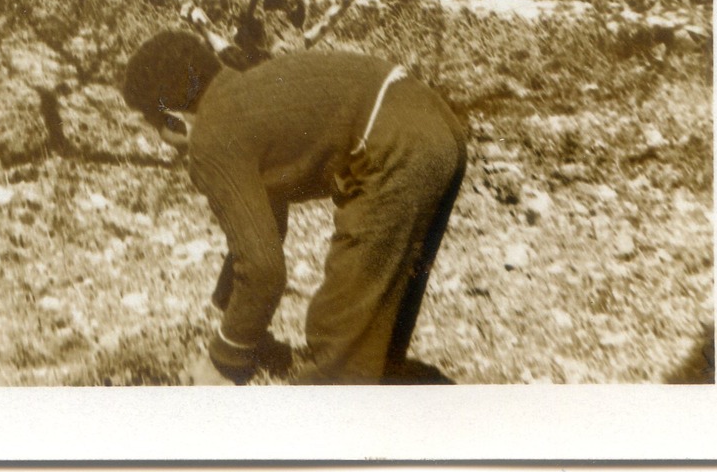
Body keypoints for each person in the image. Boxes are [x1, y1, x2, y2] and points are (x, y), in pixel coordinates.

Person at [119, 31, 466, 385]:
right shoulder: (245, 92)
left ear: (174, 121)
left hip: (396, 147)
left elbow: (263, 271)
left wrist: (223, 363)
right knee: (378, 326)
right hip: (437, 125)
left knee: (340, 336)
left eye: (154, 124)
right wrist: (230, 304)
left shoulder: (212, 135)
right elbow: (267, 231)